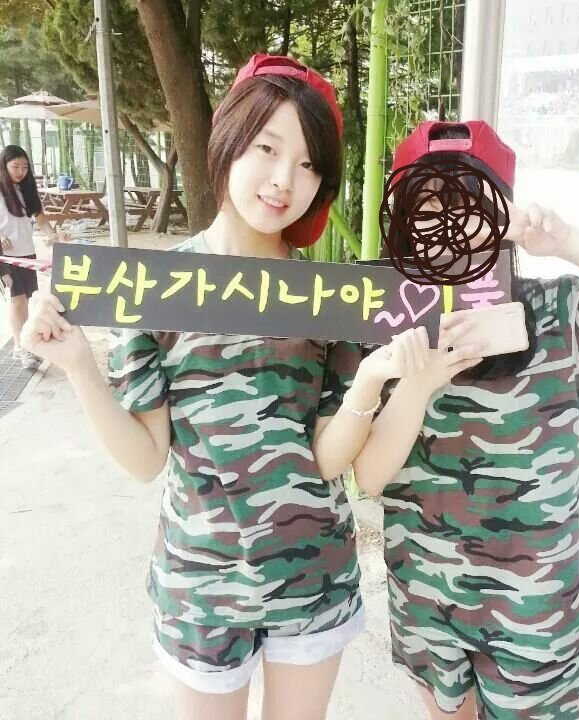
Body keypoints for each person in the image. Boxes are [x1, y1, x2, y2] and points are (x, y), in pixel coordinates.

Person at [19, 54, 450, 720]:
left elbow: (329, 460)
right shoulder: (152, 288)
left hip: (311, 582)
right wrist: (79, 363)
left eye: (308, 164)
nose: (284, 181)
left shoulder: (332, 298)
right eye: (267, 149)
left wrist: (369, 381)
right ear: (227, 142)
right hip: (201, 588)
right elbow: (146, 458)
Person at [352, 120, 579, 720]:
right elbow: (368, 477)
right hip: (426, 595)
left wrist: (563, 240)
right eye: (427, 204)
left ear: (501, 211)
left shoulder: (559, 311)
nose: (447, 222)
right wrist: (415, 383)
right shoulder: (386, 323)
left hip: (534, 613)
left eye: (468, 200)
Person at [0, 144, 68, 369]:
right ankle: (21, 348)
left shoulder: (26, 190)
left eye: (25, 167)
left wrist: (52, 234)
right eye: (15, 166)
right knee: (17, 300)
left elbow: (40, 217)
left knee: (27, 300)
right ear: (4, 166)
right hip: (5, 257)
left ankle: (25, 345)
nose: (20, 171)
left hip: (27, 253)